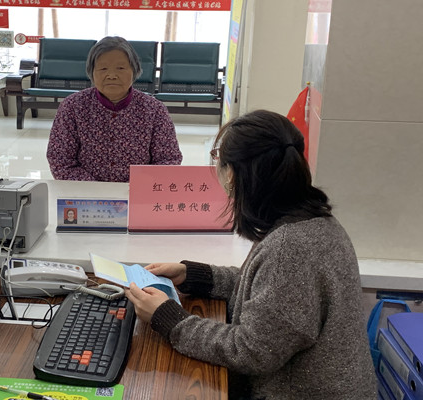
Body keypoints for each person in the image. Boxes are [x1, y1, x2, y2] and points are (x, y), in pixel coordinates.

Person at [125, 110, 376, 399]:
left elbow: (252, 351)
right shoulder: (312, 223)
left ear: (233, 174)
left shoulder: (290, 248)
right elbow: (269, 293)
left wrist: (169, 318)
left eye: (218, 159)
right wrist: (194, 275)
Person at [46, 36, 182, 182]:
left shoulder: (154, 110)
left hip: (138, 191)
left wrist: (136, 187)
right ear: (92, 72)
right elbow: (60, 160)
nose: (111, 75)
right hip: (84, 193)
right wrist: (95, 190)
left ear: (134, 70)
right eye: (103, 68)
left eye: (120, 68)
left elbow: (168, 160)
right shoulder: (72, 106)